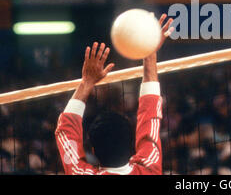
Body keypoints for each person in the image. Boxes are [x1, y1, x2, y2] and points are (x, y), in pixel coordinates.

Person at [55, 14, 173, 175]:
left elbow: (65, 131)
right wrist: (149, 53)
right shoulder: (149, 166)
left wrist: (87, 82)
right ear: (132, 144)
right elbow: (150, 116)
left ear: (94, 151)